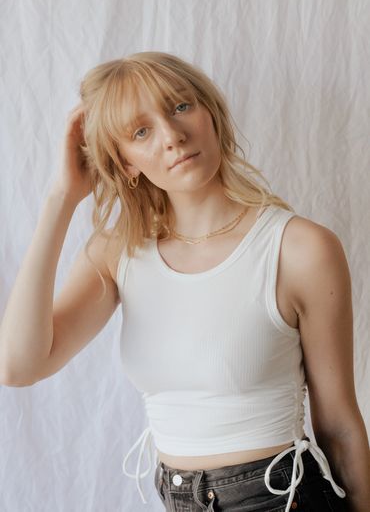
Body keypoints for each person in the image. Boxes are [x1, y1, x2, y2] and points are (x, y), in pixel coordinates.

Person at [0, 51, 368, 512]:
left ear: (210, 113)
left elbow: (338, 424)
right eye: (140, 131)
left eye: (180, 106)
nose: (172, 136)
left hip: (281, 498)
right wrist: (61, 198)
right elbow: (18, 366)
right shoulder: (119, 253)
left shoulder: (299, 248)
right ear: (126, 163)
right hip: (176, 498)